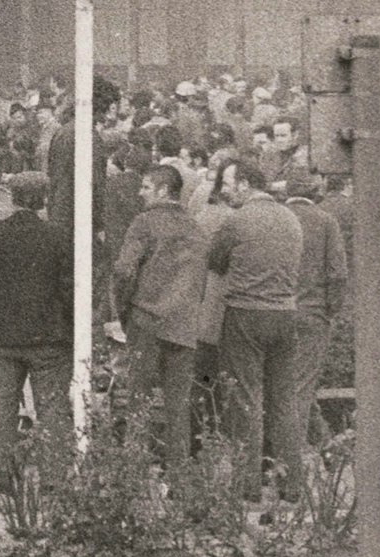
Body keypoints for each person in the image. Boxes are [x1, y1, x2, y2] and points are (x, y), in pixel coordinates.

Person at [206, 158, 306, 505]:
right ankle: (292, 485)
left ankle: (247, 485)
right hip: (286, 313)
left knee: (245, 400)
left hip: (245, 313)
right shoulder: (291, 217)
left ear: (246, 183)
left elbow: (214, 261)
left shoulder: (237, 221)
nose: (225, 191)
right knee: (284, 401)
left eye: (228, 184)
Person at [0, 172, 73, 473]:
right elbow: (68, 288)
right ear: (44, 201)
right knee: (52, 408)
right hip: (48, 336)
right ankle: (55, 477)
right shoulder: (57, 236)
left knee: (3, 409)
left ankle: (3, 474)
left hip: (2, 336)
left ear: (12, 198)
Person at [111, 163, 207, 470]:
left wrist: (126, 312)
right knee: (178, 407)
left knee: (138, 398)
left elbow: (124, 271)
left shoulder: (144, 223)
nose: (140, 192)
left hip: (146, 321)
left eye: (146, 187)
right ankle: (178, 476)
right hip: (184, 325)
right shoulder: (195, 226)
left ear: (163, 190)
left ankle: (134, 473)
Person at [281, 173, 348, 445]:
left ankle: (326, 446)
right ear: (315, 192)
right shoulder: (325, 221)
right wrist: (331, 310)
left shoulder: (279, 217)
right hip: (311, 312)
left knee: (289, 383)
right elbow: (337, 273)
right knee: (301, 385)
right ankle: (290, 458)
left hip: (277, 309)